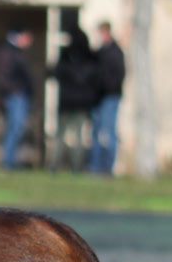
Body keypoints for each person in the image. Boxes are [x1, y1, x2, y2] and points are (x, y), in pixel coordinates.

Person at [52, 28, 99, 172]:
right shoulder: (90, 57)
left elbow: (55, 72)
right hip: (81, 102)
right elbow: (95, 78)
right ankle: (76, 167)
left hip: (68, 101)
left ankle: (54, 166)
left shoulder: (66, 56)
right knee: (78, 135)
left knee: (61, 135)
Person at [0, 24, 34, 169]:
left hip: (19, 96)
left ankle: (11, 160)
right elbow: (2, 76)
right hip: (14, 97)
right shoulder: (8, 52)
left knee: (17, 128)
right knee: (14, 128)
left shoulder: (18, 52)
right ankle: (7, 161)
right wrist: (15, 91)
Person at [89, 21, 125, 175]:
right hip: (98, 97)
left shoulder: (115, 52)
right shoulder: (99, 52)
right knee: (96, 133)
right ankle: (95, 166)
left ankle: (108, 167)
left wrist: (107, 88)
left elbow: (118, 76)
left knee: (109, 132)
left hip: (110, 97)